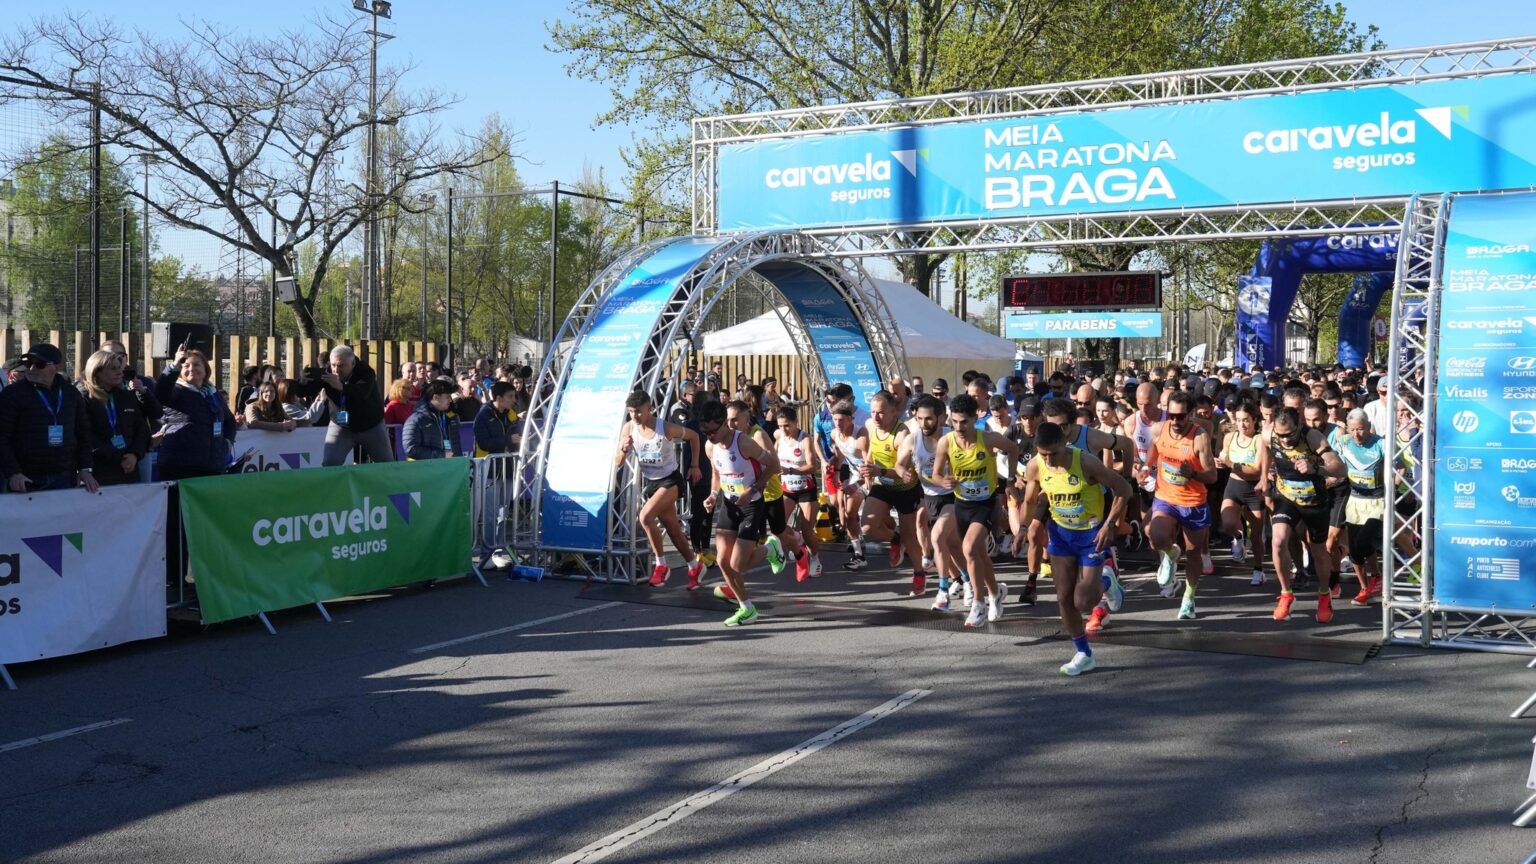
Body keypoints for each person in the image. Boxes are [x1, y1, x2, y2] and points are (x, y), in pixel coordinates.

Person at [1022, 422, 1133, 677]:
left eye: (1053, 453)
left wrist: (1109, 524)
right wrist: (1024, 529)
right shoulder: (1036, 464)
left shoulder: (1085, 462)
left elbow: (1123, 489)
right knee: (1063, 598)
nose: (1048, 459)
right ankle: (1084, 653)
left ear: (1064, 443)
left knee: (1083, 601)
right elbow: (1031, 499)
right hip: (1060, 535)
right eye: (1043, 454)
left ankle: (1106, 581)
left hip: (1090, 534)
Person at [933, 393, 1020, 628]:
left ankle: (978, 604)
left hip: (986, 503)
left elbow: (1013, 449)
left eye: (964, 421)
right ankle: (995, 592)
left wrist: (1010, 480)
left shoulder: (988, 439)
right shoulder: (946, 442)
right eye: (955, 421)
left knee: (969, 548)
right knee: (979, 554)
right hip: (962, 504)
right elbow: (936, 474)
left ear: (975, 419)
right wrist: (944, 481)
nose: (959, 427)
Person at [1257, 406, 1347, 622]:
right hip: (1286, 497)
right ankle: (1286, 594)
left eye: (1290, 435)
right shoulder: (1269, 433)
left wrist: (1317, 469)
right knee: (1278, 542)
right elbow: (1265, 449)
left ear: (1298, 426)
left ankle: (1324, 595)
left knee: (1318, 552)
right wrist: (1263, 478)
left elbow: (1340, 469)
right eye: (1281, 436)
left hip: (1314, 501)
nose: (1286, 441)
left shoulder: (1313, 437)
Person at [700, 398, 782, 627]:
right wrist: (713, 496)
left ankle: (770, 549)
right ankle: (747, 609)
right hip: (728, 505)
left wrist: (753, 489)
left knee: (737, 565)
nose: (710, 436)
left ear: (724, 423)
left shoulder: (743, 442)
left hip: (751, 506)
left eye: (713, 431)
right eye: (706, 432)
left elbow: (775, 466)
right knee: (722, 562)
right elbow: (717, 474)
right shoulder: (710, 446)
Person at [615, 390, 707, 589]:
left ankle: (661, 565)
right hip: (652, 483)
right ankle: (694, 565)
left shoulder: (664, 428)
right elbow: (618, 462)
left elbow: (694, 437)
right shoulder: (629, 428)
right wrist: (623, 448)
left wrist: (694, 465)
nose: (635, 416)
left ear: (649, 408)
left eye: (638, 411)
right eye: (631, 412)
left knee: (645, 517)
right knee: (673, 529)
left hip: (671, 481)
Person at [1142, 390, 1219, 620]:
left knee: (1194, 553)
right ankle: (1170, 553)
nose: (1175, 421)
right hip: (1166, 496)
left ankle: (1189, 597)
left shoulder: (1200, 437)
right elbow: (1155, 450)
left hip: (1193, 502)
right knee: (1154, 534)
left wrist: (1193, 473)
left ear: (1191, 414)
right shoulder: (1159, 428)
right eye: (1172, 415)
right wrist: (1146, 467)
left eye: (1181, 416)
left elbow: (1212, 476)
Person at [0, 342, 99, 493]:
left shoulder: (71, 394)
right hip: (26, 478)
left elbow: (83, 434)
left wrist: (85, 468)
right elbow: (2, 436)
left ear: (56, 367)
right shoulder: (12, 394)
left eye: (39, 364)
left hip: (64, 475)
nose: (32, 368)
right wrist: (13, 473)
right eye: (28, 363)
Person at [861, 389, 925, 595]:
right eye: (872, 412)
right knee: (867, 528)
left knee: (911, 538)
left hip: (905, 487)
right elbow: (871, 451)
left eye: (881, 413)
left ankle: (919, 574)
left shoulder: (902, 434)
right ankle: (894, 537)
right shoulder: (871, 426)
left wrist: (878, 471)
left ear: (893, 413)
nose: (876, 417)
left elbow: (902, 470)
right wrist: (868, 471)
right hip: (883, 483)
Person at [910, 395, 968, 612]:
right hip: (930, 496)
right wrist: (901, 472)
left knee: (938, 536)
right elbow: (899, 464)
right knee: (952, 545)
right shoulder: (913, 438)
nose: (924, 424)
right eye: (920, 418)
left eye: (929, 419)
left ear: (941, 418)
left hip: (954, 497)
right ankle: (970, 582)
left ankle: (943, 592)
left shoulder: (953, 438)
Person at [155, 344, 237, 480]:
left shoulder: (213, 393)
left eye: (196, 365)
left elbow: (229, 421)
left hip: (213, 465)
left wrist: (227, 443)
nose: (191, 369)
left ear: (205, 369)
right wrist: (174, 364)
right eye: (186, 366)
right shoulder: (176, 391)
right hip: (180, 467)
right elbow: (160, 394)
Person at [1337, 409, 1389, 606]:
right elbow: (1336, 464)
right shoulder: (1344, 442)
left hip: (1377, 501)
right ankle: (1366, 587)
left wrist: (1392, 485)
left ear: (1368, 427)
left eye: (1360, 429)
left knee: (1363, 544)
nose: (1356, 434)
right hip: (1355, 501)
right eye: (1352, 430)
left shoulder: (1381, 444)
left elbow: (1398, 466)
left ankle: (1376, 576)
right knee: (1355, 551)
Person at [80, 349, 148, 486]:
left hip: (129, 468)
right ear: (96, 372)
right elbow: (86, 435)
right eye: (113, 368)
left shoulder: (126, 396)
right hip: (100, 472)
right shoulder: (83, 398)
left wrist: (134, 455)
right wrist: (119, 458)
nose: (119, 372)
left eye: (119, 368)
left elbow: (141, 429)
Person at [1218, 401, 1268, 586]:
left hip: (1254, 490)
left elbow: (1256, 470)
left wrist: (1231, 464)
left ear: (1254, 420)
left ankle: (1258, 569)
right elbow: (1223, 456)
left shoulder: (1259, 439)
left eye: (1246, 420)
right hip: (1234, 486)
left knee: (1256, 535)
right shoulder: (1230, 437)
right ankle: (1239, 538)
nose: (1242, 425)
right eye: (1239, 420)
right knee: (1228, 523)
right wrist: (1221, 462)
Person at [319, 345, 393, 465]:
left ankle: (388, 484)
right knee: (330, 463)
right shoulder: (328, 372)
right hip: (342, 426)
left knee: (386, 464)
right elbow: (303, 391)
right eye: (333, 365)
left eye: (341, 366)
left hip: (371, 426)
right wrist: (303, 382)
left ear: (353, 364)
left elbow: (362, 393)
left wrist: (342, 387)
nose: (336, 370)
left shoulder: (366, 372)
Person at [775, 405, 824, 581]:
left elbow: (813, 466)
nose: (783, 429)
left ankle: (815, 560)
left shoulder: (805, 439)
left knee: (808, 530)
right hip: (787, 490)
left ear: (796, 422)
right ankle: (797, 541)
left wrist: (790, 470)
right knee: (778, 526)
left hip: (805, 490)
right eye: (780, 426)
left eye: (787, 425)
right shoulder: (778, 437)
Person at [401, 379, 465, 460]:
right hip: (424, 470)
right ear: (435, 397)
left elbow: (451, 445)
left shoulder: (447, 418)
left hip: (446, 468)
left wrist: (457, 462)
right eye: (447, 397)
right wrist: (441, 455)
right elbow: (411, 450)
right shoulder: (416, 420)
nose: (450, 400)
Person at [473, 381, 521, 455]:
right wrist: (508, 440)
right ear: (499, 398)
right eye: (510, 396)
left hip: (509, 461)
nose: (514, 400)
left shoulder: (512, 414)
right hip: (488, 463)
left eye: (514, 396)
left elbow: (518, 435)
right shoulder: (483, 416)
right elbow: (483, 443)